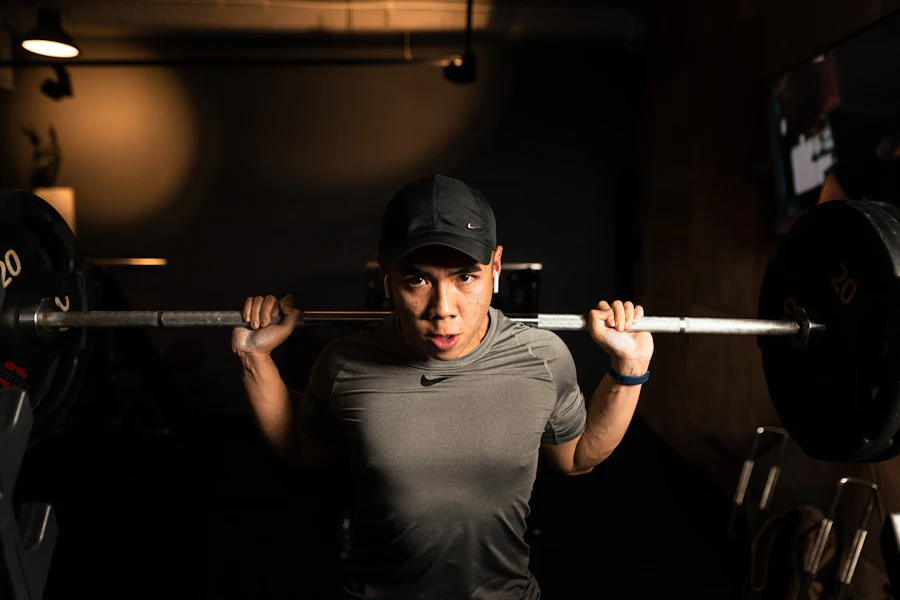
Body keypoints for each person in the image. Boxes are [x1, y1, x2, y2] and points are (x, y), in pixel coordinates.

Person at [231, 174, 654, 599]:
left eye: (465, 277)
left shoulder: (542, 357)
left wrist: (630, 368)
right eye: (417, 280)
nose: (442, 309)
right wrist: (254, 358)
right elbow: (304, 453)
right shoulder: (344, 364)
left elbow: (577, 458)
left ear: (496, 267)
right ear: (386, 275)